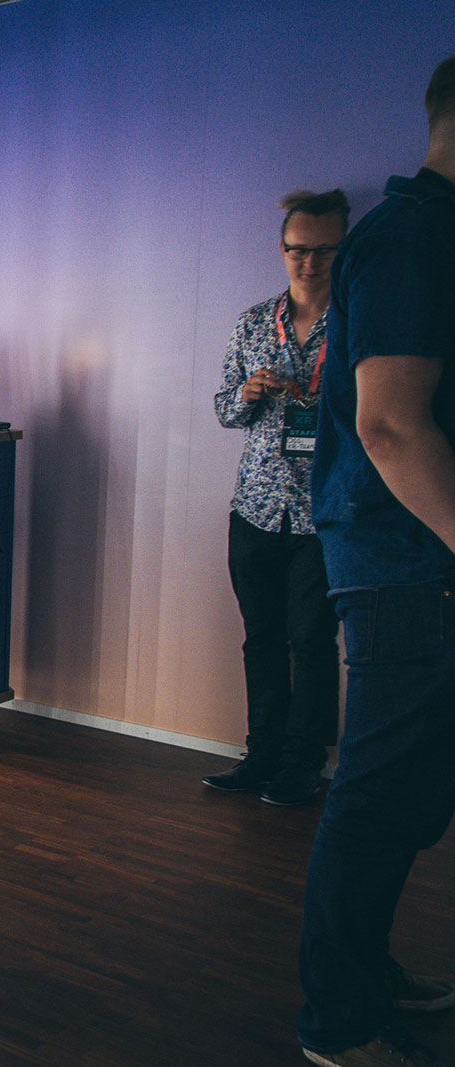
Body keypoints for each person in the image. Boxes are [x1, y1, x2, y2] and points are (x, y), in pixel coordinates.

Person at [297, 56, 455, 1067]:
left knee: (405, 791)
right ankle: (336, 1021)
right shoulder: (409, 237)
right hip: (405, 558)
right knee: (375, 790)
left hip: (417, 555)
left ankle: (362, 972)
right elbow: (391, 428)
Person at [206, 189, 349, 805]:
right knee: (261, 634)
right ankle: (260, 755)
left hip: (329, 511)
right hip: (257, 506)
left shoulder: (360, 320)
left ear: (342, 249)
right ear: (281, 249)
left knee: (312, 639)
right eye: (296, 250)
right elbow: (222, 410)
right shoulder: (252, 322)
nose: (308, 263)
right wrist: (250, 394)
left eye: (321, 251)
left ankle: (304, 764)